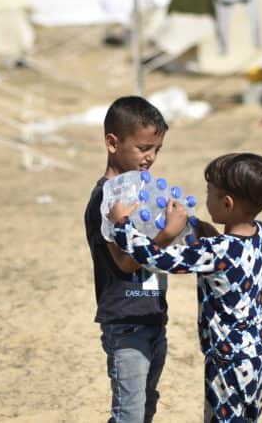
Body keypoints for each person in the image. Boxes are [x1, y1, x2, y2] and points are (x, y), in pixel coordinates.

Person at [107, 152, 262, 422]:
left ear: (227, 203)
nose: (205, 198)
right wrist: (203, 230)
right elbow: (229, 253)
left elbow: (155, 258)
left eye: (209, 192)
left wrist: (122, 224)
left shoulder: (217, 251)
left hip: (227, 364)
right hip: (256, 358)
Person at [84, 96, 173, 423]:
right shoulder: (106, 200)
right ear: (112, 143)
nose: (151, 157)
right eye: (143, 148)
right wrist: (166, 235)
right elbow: (125, 261)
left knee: (145, 405)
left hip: (153, 315)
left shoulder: (141, 193)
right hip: (126, 324)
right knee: (129, 414)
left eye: (157, 149)